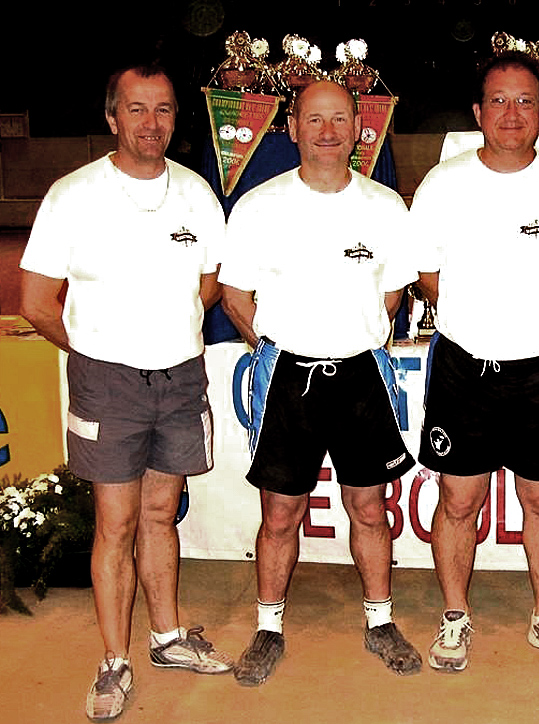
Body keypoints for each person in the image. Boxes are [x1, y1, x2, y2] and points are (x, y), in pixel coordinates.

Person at [19, 65, 232, 721]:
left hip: (179, 376)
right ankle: (114, 660)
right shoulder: (72, 195)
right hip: (106, 382)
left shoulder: (195, 193)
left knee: (161, 514)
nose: (151, 123)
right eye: (136, 109)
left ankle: (167, 638)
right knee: (115, 523)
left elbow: (209, 282)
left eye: (163, 109)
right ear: (112, 117)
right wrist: (98, 348)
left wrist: (166, 330)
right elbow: (36, 301)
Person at [220, 80, 422, 686]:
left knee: (369, 507)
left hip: (362, 374)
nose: (328, 131)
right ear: (292, 127)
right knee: (280, 513)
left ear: (359, 126)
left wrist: (348, 335)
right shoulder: (258, 206)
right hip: (287, 376)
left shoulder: (385, 207)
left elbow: (393, 295)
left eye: (339, 118)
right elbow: (234, 296)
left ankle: (380, 621)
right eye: (314, 119)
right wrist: (276, 346)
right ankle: (268, 627)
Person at [410, 51, 539, 672]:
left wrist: (527, 319)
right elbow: (428, 277)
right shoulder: (444, 184)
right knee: (458, 500)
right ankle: (455, 616)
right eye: (498, 100)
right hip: (463, 366)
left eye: (525, 101)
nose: (512, 113)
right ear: (478, 111)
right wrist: (481, 320)